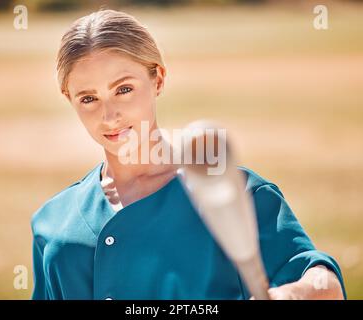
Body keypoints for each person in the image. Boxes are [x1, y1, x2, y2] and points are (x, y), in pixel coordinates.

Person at [31, 9, 346, 300]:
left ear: (158, 79)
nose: (109, 116)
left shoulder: (234, 193)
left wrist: (286, 295)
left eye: (124, 89)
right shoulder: (53, 222)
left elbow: (325, 286)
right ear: (68, 98)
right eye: (88, 98)